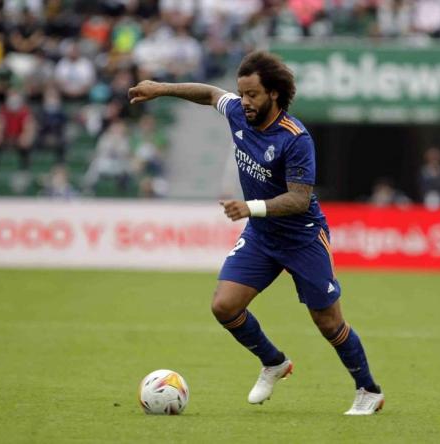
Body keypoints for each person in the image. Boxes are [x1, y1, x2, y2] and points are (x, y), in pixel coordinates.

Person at [128, 51, 384, 415]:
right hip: (263, 237)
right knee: (225, 306)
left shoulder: (295, 138)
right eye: (242, 93)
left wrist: (251, 208)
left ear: (274, 94)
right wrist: (160, 88)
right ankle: (274, 362)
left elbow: (299, 199)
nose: (245, 101)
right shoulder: (238, 113)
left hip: (303, 239)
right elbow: (209, 95)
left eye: (253, 95)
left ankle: (368, 390)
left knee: (328, 322)